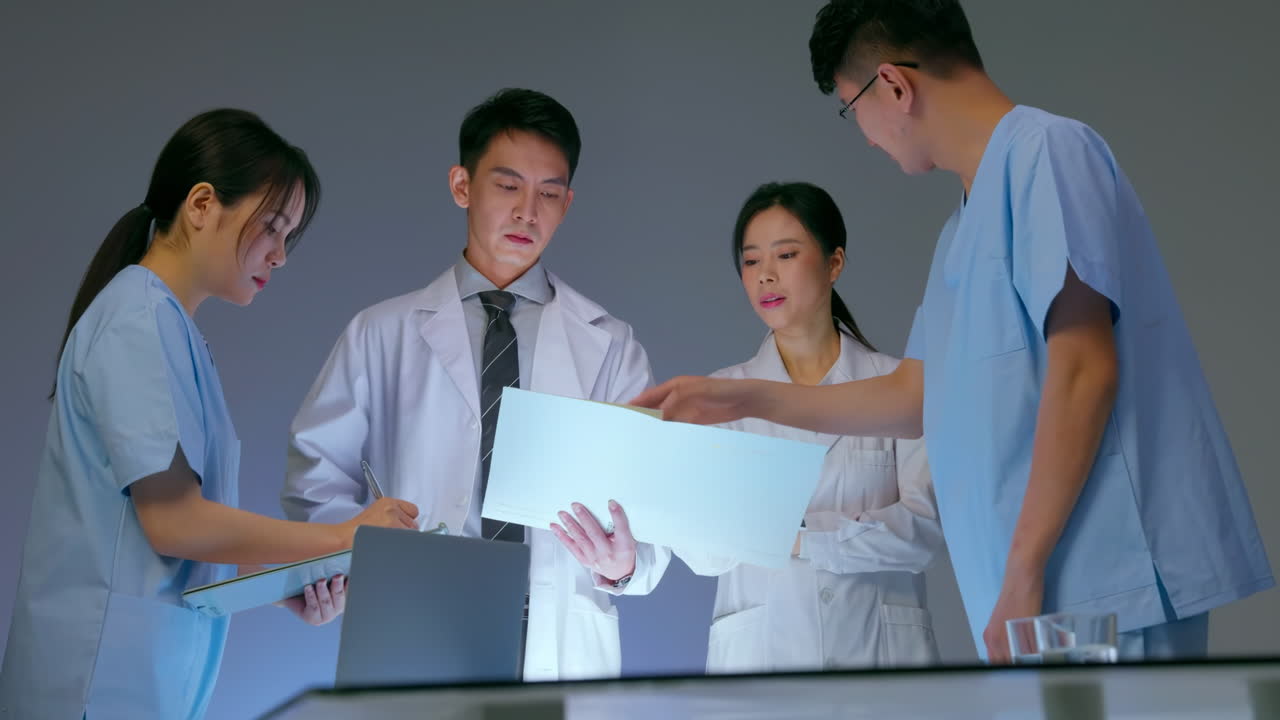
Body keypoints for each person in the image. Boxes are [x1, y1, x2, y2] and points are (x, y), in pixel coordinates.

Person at [633, 0, 1274, 663]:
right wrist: (741, 398)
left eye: (853, 111)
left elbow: (1085, 369)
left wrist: (1024, 571)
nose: (867, 136)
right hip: (1035, 596)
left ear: (895, 87)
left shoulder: (1047, 153)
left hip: (1104, 589)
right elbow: (913, 399)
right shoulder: (960, 233)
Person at [0, 109, 418, 720]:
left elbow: (167, 546)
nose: (280, 255)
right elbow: (175, 523)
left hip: (143, 686)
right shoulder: (138, 321)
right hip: (94, 689)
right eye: (271, 228)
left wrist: (287, 584)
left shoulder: (171, 330)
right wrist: (342, 535)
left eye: (288, 236)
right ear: (201, 205)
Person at [282, 88, 670, 682]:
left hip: (557, 636)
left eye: (549, 194)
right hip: (417, 618)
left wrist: (624, 565)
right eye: (508, 186)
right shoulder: (380, 333)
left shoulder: (611, 346)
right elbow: (314, 480)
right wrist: (356, 557)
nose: (527, 212)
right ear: (462, 186)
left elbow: (651, 510)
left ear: (567, 203)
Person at [676, 181, 943, 672]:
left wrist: (794, 538)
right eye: (752, 261)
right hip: (762, 665)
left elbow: (920, 532)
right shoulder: (722, 395)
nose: (765, 276)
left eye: (786, 254)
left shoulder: (897, 385)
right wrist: (847, 536)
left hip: (881, 664)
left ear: (834, 263)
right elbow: (700, 547)